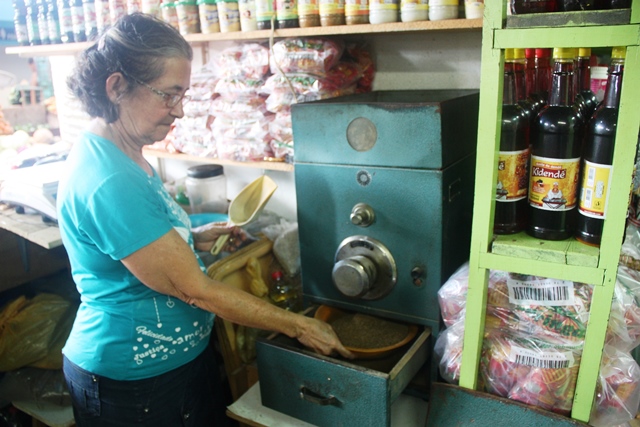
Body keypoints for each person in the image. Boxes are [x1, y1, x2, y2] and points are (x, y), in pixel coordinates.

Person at [57, 13, 352, 427]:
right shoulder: (107, 179)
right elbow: (196, 291)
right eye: (168, 95)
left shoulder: (127, 149)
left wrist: (192, 237)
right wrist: (297, 326)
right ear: (117, 86)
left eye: (184, 96)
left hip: (178, 362)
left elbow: (132, 244)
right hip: (134, 381)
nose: (178, 112)